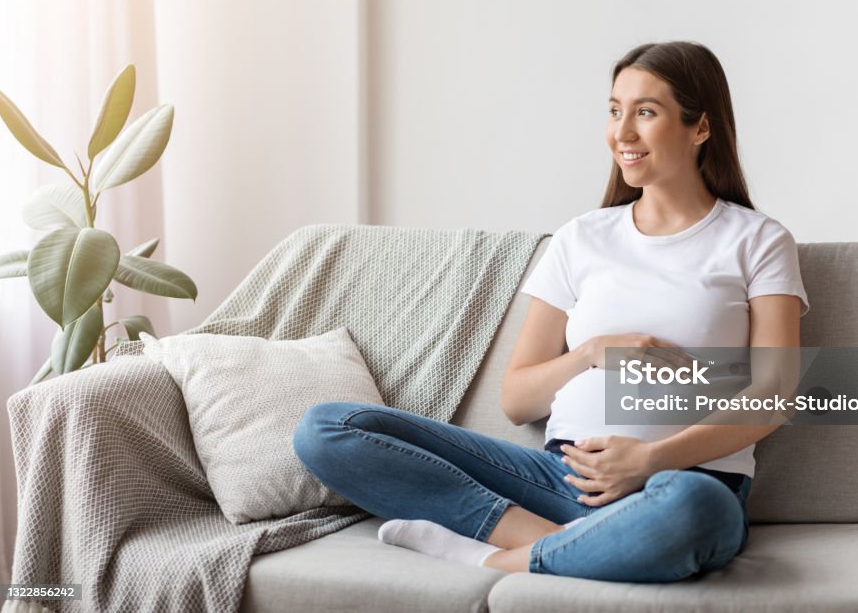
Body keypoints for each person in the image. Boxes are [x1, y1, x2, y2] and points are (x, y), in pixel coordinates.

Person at [292, 41, 809, 583]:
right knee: (327, 429)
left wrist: (651, 460)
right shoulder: (581, 238)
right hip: (556, 479)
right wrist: (588, 354)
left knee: (693, 510)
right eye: (614, 110)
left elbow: (776, 392)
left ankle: (489, 557)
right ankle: (568, 544)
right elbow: (517, 400)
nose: (622, 132)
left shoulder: (758, 240)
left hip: (683, 482)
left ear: (700, 127)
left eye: (646, 112)